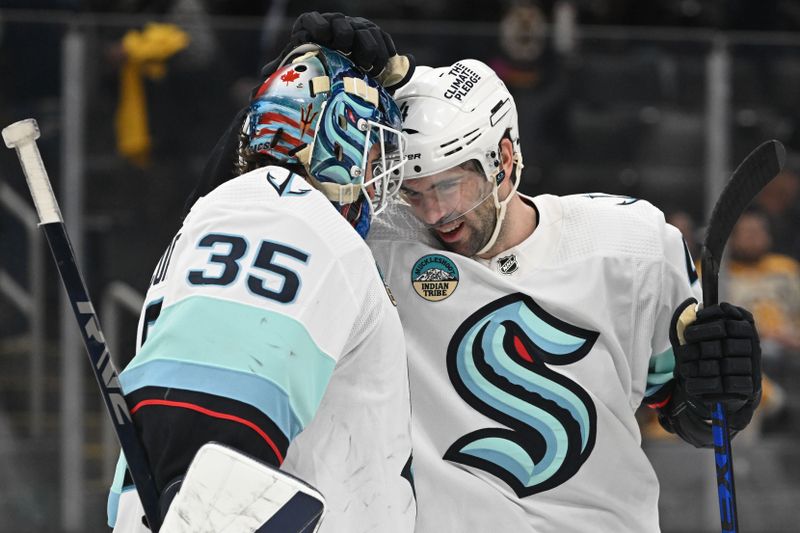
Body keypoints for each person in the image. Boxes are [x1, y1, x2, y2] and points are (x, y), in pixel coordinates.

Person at [271, 13, 762, 532]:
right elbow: (254, 195)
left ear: (503, 158)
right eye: (413, 192)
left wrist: (723, 389)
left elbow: (692, 417)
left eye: (447, 186)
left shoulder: (632, 248)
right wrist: (297, 87)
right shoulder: (378, 242)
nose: (434, 213)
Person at [107, 44, 415, 533]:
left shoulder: (236, 211)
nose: (379, 172)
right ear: (336, 141)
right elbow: (201, 411)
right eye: (373, 147)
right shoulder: (288, 218)